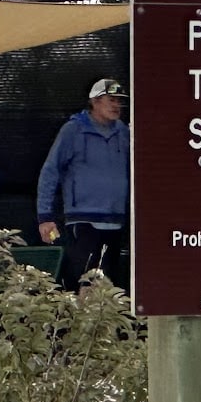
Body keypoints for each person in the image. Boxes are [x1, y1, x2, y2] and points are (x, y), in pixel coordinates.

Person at [37, 78, 130, 288]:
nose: (117, 105)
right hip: (83, 220)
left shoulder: (123, 132)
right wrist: (45, 216)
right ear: (95, 101)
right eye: (111, 100)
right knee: (84, 281)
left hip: (116, 220)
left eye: (119, 101)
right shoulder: (73, 130)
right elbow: (50, 171)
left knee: (109, 285)